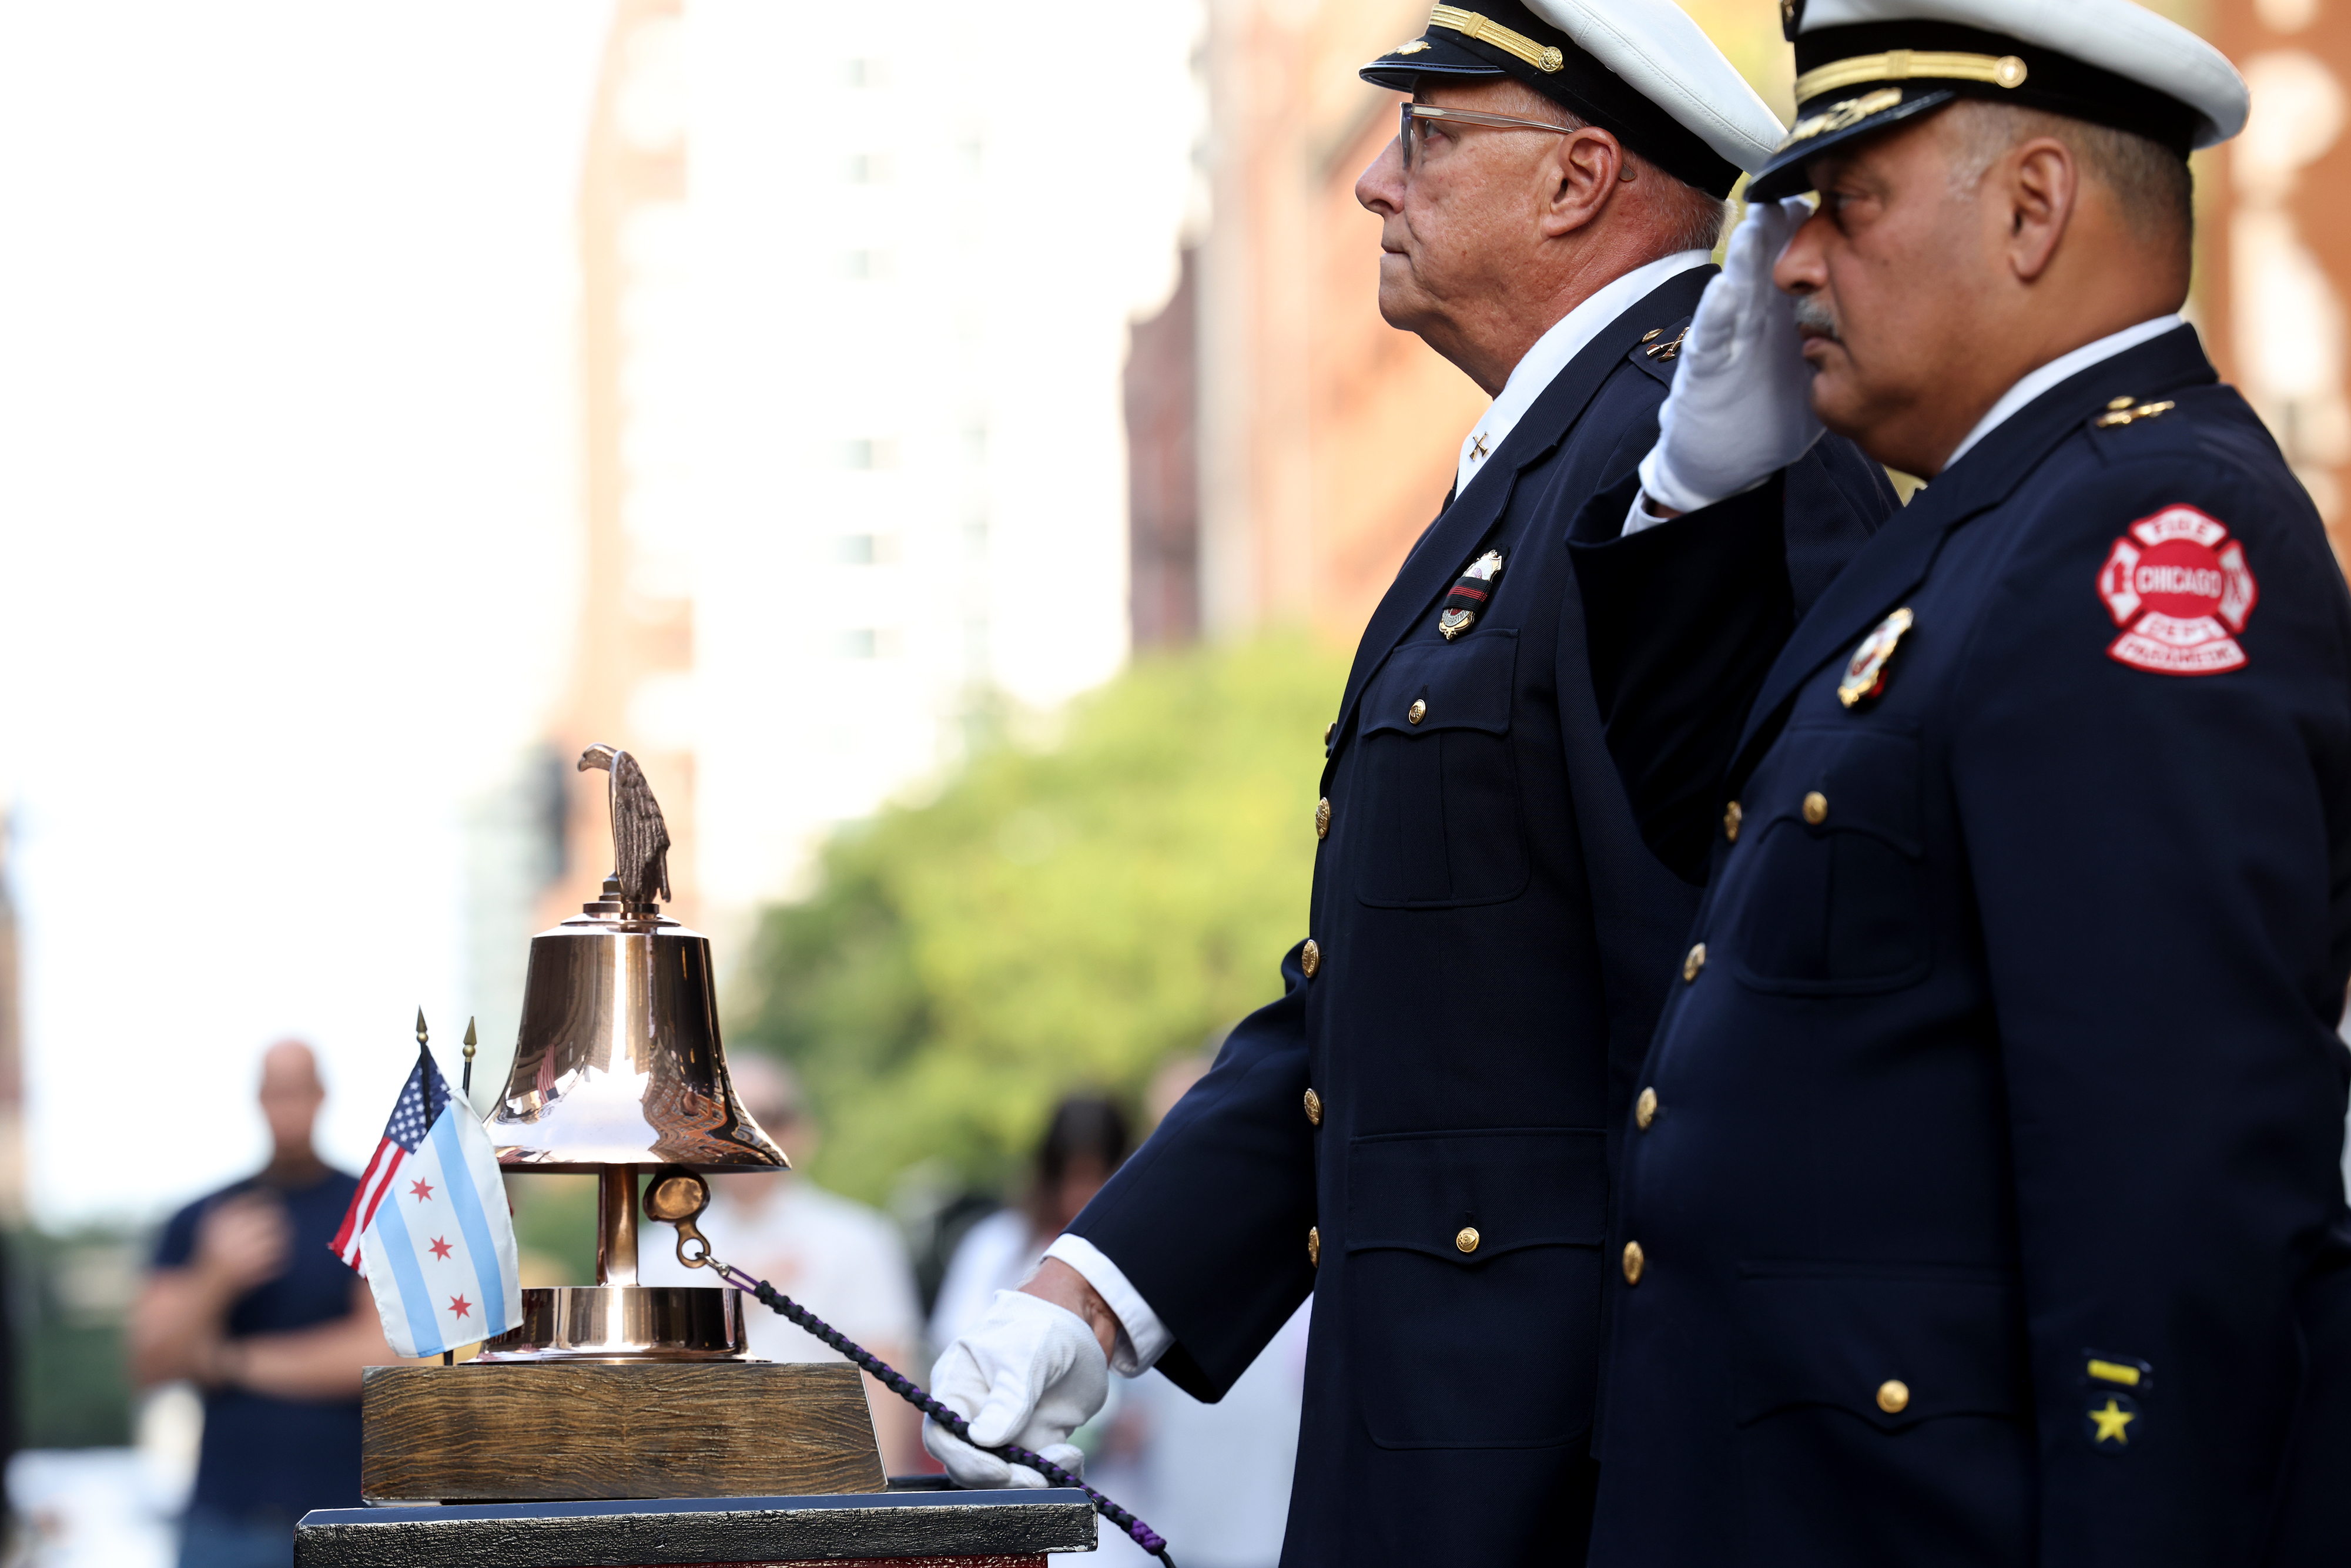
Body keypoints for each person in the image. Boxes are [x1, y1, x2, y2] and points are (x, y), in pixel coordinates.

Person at [920, 1, 1901, 1560]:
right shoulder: (1554, 460)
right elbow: (1396, 997)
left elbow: (1758, 970)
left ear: (1581, 179)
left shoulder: (1698, 468)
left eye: (1430, 137)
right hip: (1464, 1444)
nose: (1378, 182)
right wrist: (1095, 1290)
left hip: (1588, 1463)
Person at [1565, 0, 2351, 1559]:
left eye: (1842, 205)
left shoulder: (2149, 529)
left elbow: (2171, 1184)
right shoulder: (1988, 528)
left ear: (2034, 205)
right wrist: (1697, 500)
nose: (1786, 261)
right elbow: (1712, 855)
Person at [129, 1041, 404, 1568]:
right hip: (224, 1520)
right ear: (258, 1098)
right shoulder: (202, 1220)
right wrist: (215, 1279)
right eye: (277, 1091)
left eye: (299, 1089)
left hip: (345, 1517)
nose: (289, 1104)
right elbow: (148, 1362)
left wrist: (230, 1361)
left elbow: (383, 1354)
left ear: (322, 1095)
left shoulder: (365, 1208)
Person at [639, 1054, 925, 1472]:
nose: (748, 1134)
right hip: (696, 1478)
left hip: (826, 1477)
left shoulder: (859, 1238)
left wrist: (881, 1502)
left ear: (803, 1131)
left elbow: (885, 1379)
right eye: (726, 1117)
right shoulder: (655, 1250)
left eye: (769, 1117)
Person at [926, 1094, 1130, 1353]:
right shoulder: (996, 1243)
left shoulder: (1137, 1253)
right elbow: (953, 1338)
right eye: (1070, 1177)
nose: (1079, 1194)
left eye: (1097, 1178)